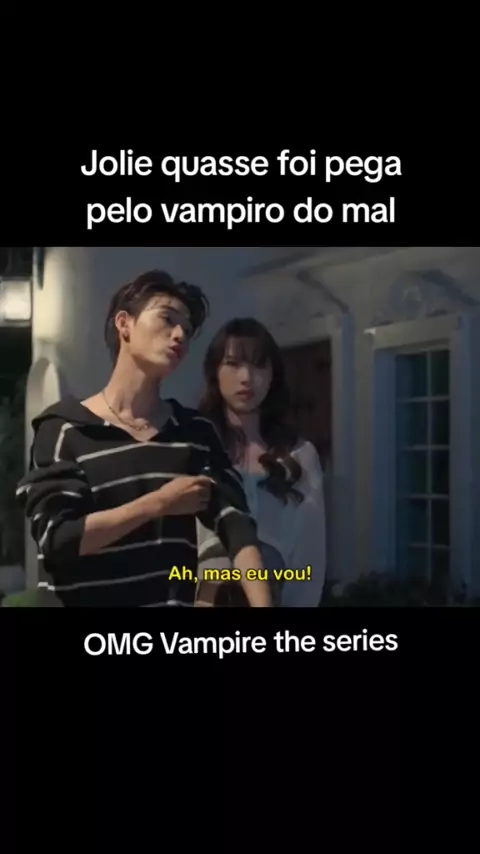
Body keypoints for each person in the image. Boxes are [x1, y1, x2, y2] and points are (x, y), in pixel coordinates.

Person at [15, 271, 272, 608]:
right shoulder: (65, 428)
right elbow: (58, 539)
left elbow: (237, 528)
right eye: (167, 318)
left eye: (187, 329)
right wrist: (158, 503)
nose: (180, 335)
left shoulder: (194, 433)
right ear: (124, 324)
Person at [195, 317, 327, 607]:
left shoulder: (300, 455)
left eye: (258, 365)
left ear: (272, 374)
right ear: (214, 371)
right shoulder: (195, 449)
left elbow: (310, 560)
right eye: (233, 364)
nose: (246, 377)